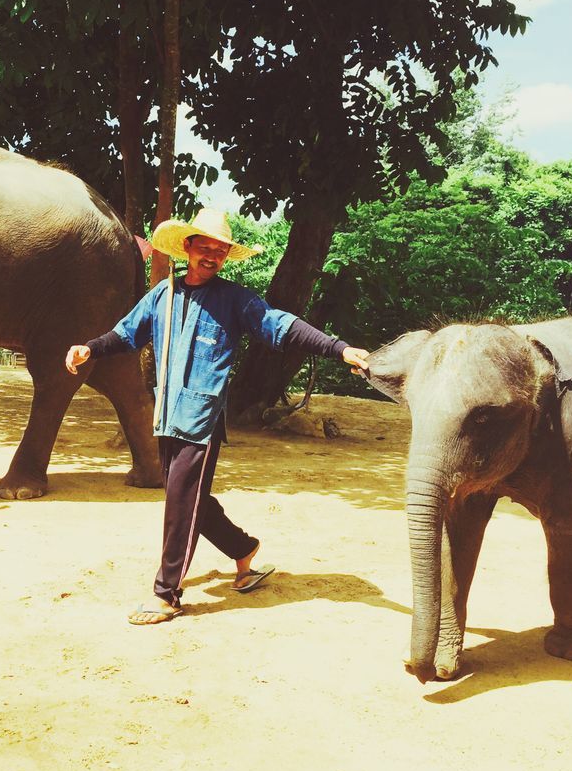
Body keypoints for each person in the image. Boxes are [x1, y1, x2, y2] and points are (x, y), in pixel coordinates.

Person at [65, 209, 370, 626]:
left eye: (220, 251)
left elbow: (280, 325)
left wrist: (339, 348)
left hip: (201, 421)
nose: (211, 256)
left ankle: (166, 593)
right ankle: (243, 549)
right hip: (168, 415)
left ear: (226, 256)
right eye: (204, 247)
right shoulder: (163, 295)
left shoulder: (235, 300)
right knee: (189, 499)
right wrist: (90, 348)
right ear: (187, 248)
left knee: (179, 502)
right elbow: (127, 332)